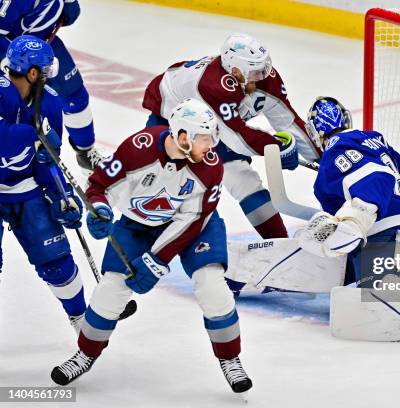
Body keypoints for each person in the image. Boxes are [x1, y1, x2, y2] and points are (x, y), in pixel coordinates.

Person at [50, 98, 252, 396]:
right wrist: (101, 210)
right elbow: (98, 186)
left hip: (196, 226)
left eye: (213, 138)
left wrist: (157, 259)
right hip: (137, 225)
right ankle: (86, 353)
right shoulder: (137, 149)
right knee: (111, 289)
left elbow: (192, 221)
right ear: (182, 137)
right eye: (204, 139)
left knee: (211, 285)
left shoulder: (210, 168)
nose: (211, 147)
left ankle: (230, 358)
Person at [143, 33, 319, 239]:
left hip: (212, 122)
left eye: (264, 67)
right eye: (255, 71)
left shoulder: (264, 78)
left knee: (245, 181)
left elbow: (287, 121)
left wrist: (323, 157)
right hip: (172, 119)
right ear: (236, 71)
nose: (263, 75)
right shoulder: (213, 85)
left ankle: (281, 244)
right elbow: (237, 139)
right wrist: (276, 148)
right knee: (168, 186)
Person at [297, 96, 400, 286]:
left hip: (395, 231)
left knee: (379, 302)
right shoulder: (375, 141)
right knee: (361, 303)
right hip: (386, 234)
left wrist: (357, 216)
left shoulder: (335, 152)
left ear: (315, 133)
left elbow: (374, 178)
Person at [0, 35, 85, 331]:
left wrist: (62, 195)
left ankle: (81, 321)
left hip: (23, 188)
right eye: (46, 71)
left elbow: (47, 160)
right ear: (33, 73)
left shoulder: (48, 103)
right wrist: (32, 135)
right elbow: (4, 140)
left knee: (56, 260)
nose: (49, 76)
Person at [0, 0, 103, 172]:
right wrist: (8, 63)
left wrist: (69, 4)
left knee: (75, 95)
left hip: (44, 45)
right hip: (14, 57)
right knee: (14, 107)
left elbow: (69, 15)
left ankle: (86, 152)